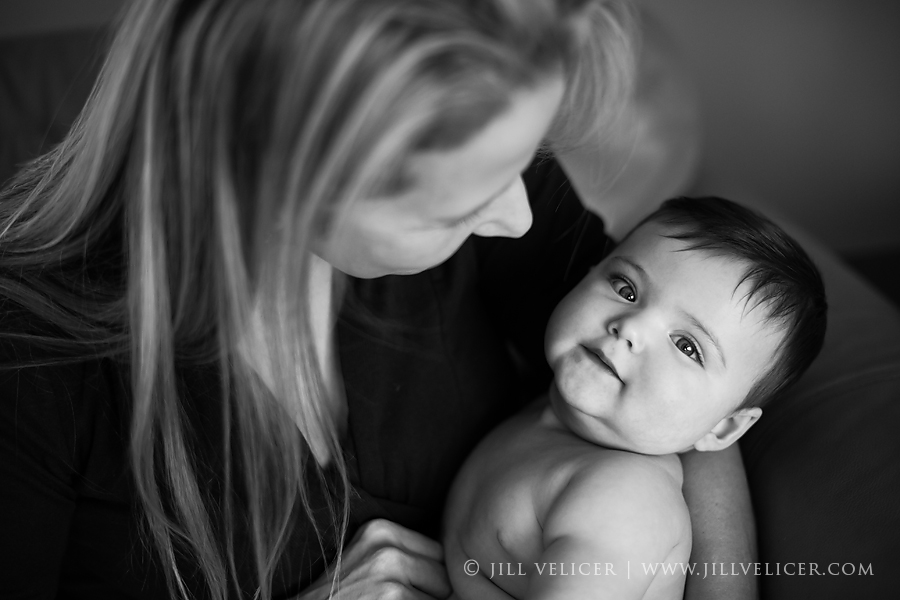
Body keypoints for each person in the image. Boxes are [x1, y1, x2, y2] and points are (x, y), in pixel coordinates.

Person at [0, 0, 753, 599]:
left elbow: (691, 369)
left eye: (525, 165)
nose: (519, 217)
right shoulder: (31, 361)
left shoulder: (483, 156)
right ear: (284, 182)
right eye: (453, 212)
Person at [444, 197, 828, 600]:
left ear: (724, 426)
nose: (630, 328)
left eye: (686, 346)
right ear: (586, 275)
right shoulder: (553, 418)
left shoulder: (622, 497)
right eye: (626, 288)